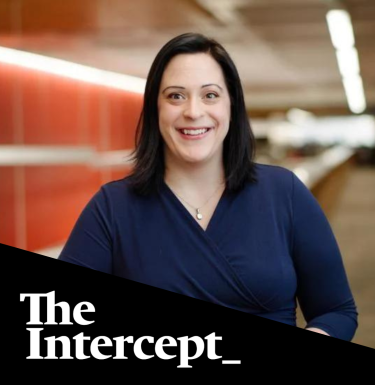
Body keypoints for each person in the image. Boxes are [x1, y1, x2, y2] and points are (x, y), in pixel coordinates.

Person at [58, 33, 358, 341]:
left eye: (210, 95)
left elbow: (335, 310)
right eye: (175, 96)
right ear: (154, 109)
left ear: (232, 105)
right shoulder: (112, 208)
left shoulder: (284, 193)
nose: (193, 111)